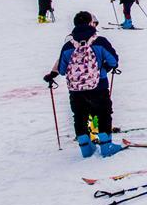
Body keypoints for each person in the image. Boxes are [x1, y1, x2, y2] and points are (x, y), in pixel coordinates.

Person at [43, 11, 121, 158]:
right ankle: (106, 146)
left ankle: (86, 148)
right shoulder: (100, 41)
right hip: (99, 86)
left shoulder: (68, 45)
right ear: (91, 23)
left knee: (79, 116)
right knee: (103, 114)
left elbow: (62, 69)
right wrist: (104, 68)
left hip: (76, 89)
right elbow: (113, 60)